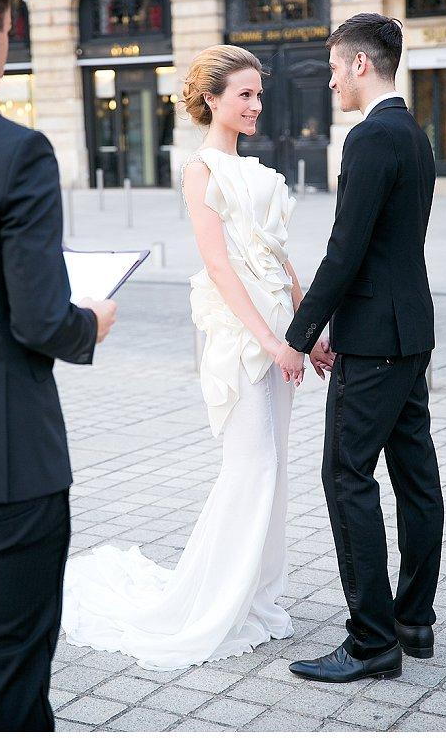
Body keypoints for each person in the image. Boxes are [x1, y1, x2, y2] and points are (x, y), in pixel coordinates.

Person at [61, 45, 305, 670]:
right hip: (238, 331)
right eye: (244, 94)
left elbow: (276, 254)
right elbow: (221, 267)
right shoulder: (201, 171)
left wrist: (306, 327)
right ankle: (214, 604)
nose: (255, 105)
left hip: (279, 325)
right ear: (213, 100)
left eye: (258, 94)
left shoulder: (256, 171)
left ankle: (262, 602)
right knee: (251, 465)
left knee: (275, 468)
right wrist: (271, 341)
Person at [0, 0, 117, 731]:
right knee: (10, 692)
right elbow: (41, 319)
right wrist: (93, 321)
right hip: (3, 469)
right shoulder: (17, 151)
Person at [276, 13, 443, 683]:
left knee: (346, 476)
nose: (330, 81)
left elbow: (346, 251)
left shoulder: (372, 138)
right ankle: (414, 620)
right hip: (410, 331)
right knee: (416, 479)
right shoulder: (415, 134)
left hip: (373, 340)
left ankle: (372, 641)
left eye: (335, 68)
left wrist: (299, 335)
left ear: (360, 66)